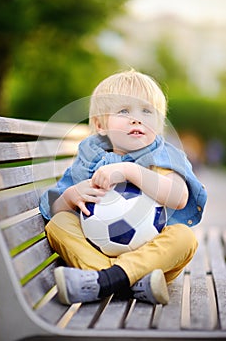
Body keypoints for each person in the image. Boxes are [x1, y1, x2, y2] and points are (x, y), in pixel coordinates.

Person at [39, 69, 207, 305]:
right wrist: (71, 195)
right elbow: (54, 207)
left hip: (153, 262)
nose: (136, 119)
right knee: (59, 224)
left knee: (184, 238)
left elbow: (178, 197)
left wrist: (131, 171)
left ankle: (106, 280)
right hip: (104, 254)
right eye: (124, 111)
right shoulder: (90, 159)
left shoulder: (162, 155)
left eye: (146, 111)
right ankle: (128, 283)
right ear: (100, 125)